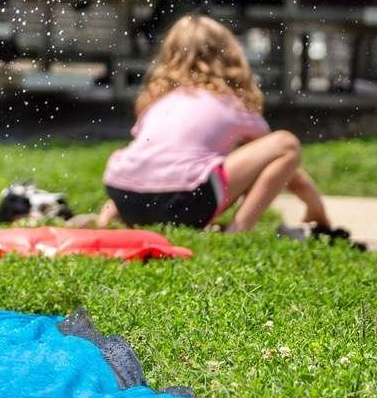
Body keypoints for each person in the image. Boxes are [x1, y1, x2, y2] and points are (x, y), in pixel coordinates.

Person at [96, 16, 351, 241]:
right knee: (285, 143)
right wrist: (316, 209)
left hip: (125, 196)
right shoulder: (231, 103)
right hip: (184, 201)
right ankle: (237, 231)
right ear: (228, 55)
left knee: (151, 158)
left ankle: (110, 217)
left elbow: (155, 161)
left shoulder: (158, 102)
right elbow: (288, 166)